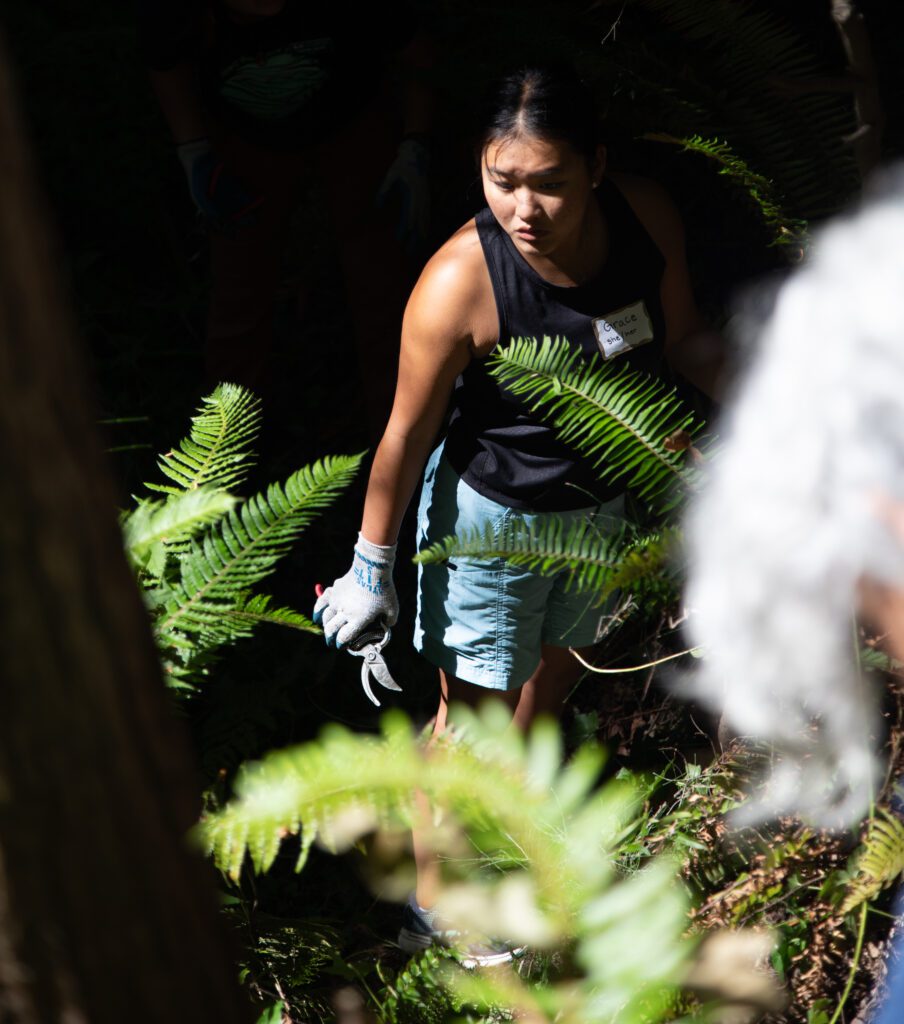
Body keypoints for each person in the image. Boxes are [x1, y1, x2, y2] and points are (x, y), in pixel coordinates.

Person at [314, 64, 714, 959]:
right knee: (476, 718)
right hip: (491, 524)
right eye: (503, 182)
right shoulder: (461, 280)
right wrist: (371, 568)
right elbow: (403, 436)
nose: (523, 207)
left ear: (597, 168)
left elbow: (684, 341)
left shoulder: (644, 221)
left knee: (552, 687)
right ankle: (437, 898)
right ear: (480, 169)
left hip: (606, 516)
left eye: (549, 182)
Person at [136, 0, 433, 431]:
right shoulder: (175, 10)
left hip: (354, 123)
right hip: (242, 137)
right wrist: (193, 150)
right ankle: (221, 457)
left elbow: (416, 54)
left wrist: (415, 146)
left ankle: (407, 445)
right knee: (238, 294)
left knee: (385, 288)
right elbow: (164, 59)